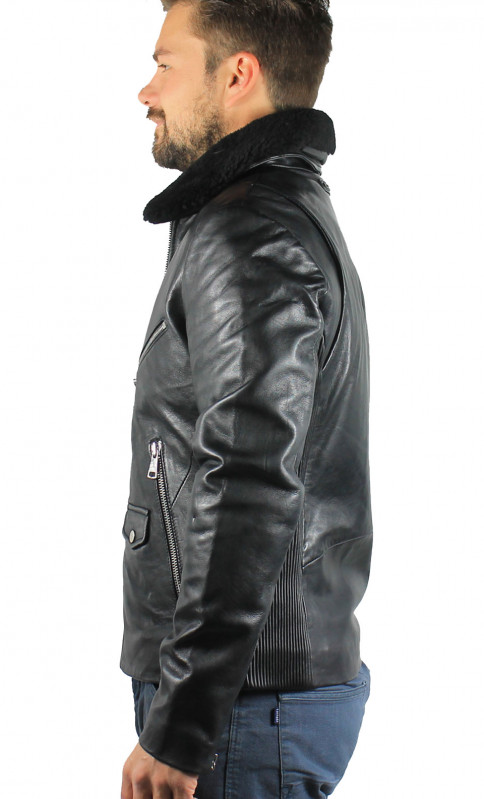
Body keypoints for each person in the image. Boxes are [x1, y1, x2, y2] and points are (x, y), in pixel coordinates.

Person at [119, 2, 373, 798]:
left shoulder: (249, 232)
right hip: (254, 701)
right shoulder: (272, 214)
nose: (146, 92)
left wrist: (184, 720)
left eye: (165, 64)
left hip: (239, 710)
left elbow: (249, 478)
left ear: (237, 74)